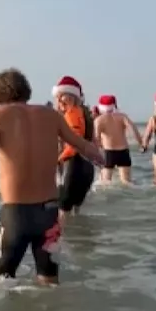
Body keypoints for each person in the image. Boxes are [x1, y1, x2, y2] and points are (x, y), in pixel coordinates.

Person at [0, 69, 104, 285]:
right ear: (26, 91)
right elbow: (84, 147)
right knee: (49, 283)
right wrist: (103, 160)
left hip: (15, 215)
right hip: (49, 215)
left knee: (1, 284)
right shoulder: (51, 115)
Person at [53, 75, 96, 215]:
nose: (58, 102)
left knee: (63, 214)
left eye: (61, 98)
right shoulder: (86, 114)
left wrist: (57, 160)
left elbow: (73, 144)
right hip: (87, 167)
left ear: (70, 98)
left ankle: (64, 238)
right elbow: (94, 143)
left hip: (73, 167)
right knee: (76, 214)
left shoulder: (71, 114)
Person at [94, 94, 143, 184]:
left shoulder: (99, 120)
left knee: (105, 183)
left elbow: (96, 138)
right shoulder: (122, 117)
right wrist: (141, 143)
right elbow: (133, 129)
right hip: (123, 152)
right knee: (126, 182)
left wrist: (96, 154)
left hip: (108, 153)